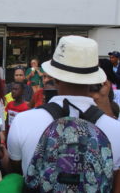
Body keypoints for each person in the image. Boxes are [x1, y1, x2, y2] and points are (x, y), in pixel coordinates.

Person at [7, 36, 120, 191]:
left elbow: (18, 170)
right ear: (94, 80)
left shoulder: (23, 120)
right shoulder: (115, 129)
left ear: (55, 77)